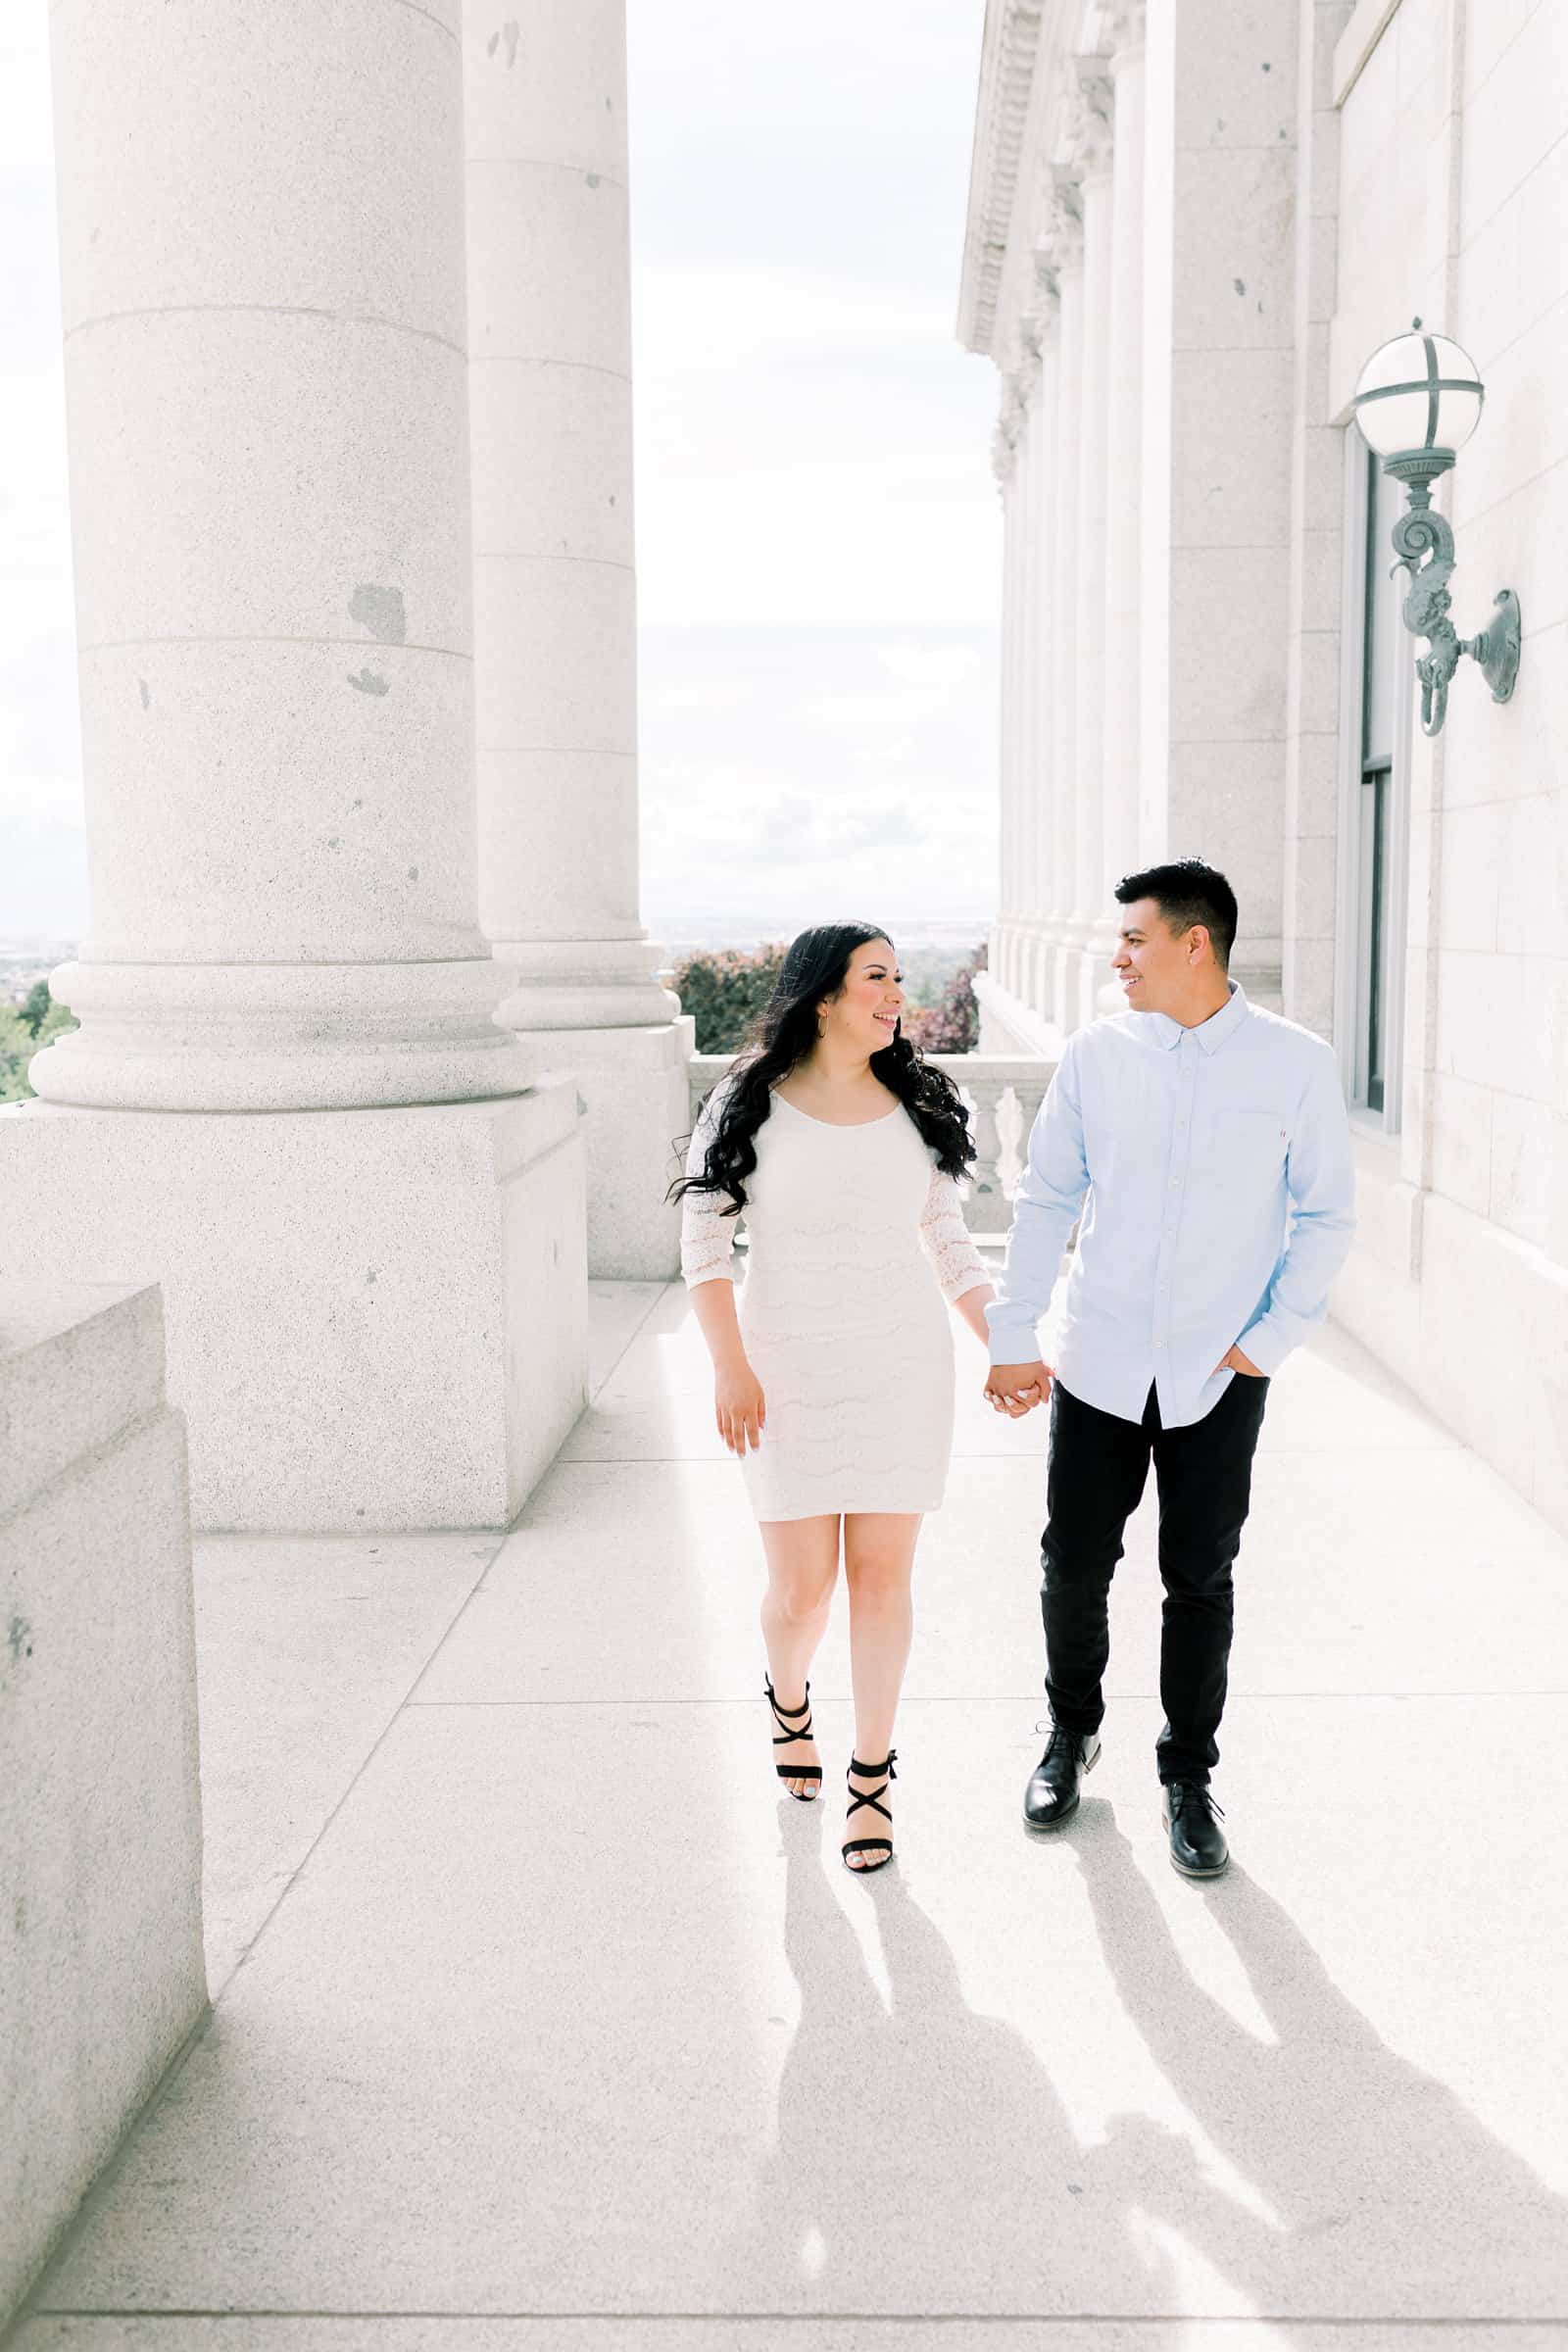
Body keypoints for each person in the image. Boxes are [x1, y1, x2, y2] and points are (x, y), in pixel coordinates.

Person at [983, 860, 1355, 1878]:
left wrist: (1263, 1344)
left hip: (1218, 1373)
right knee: (1074, 1562)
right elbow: (1046, 1200)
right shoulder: (1095, 1057)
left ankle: (1187, 1776)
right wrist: (1014, 1331)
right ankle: (1069, 1734)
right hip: (1099, 1359)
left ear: (1196, 943)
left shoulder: (1294, 1065)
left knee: (1199, 1579)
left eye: (1134, 940)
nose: (1117, 958)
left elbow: (1324, 1216)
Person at [672, 924, 995, 1873]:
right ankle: (787, 1697)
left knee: (885, 1582)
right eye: (876, 979)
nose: (896, 995)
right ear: (822, 999)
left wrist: (1006, 1350)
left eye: (898, 977)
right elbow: (704, 1244)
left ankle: (871, 1778)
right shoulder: (748, 1101)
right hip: (785, 1373)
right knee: (802, 1590)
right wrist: (731, 1368)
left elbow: (949, 1240)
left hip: (901, 1367)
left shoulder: (918, 1101)